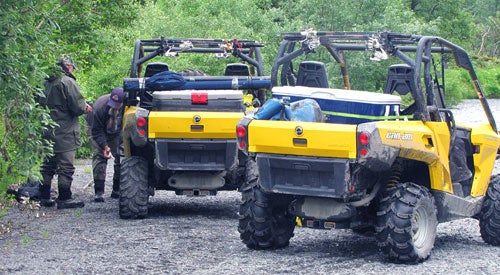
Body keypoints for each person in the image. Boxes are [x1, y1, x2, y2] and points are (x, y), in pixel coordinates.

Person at [38, 54, 92, 209]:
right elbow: (78, 107)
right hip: (65, 131)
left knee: (48, 164)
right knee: (66, 166)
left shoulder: (43, 82)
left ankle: (43, 196)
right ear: (68, 67)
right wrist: (86, 107)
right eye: (72, 67)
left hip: (46, 128)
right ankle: (64, 197)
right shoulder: (67, 82)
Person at [85, 88, 124, 202]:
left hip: (117, 130)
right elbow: (96, 131)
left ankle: (117, 189)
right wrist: (105, 146)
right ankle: (99, 192)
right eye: (113, 104)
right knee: (99, 155)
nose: (114, 107)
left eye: (117, 105)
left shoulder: (129, 106)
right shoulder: (99, 108)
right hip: (95, 127)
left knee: (121, 155)